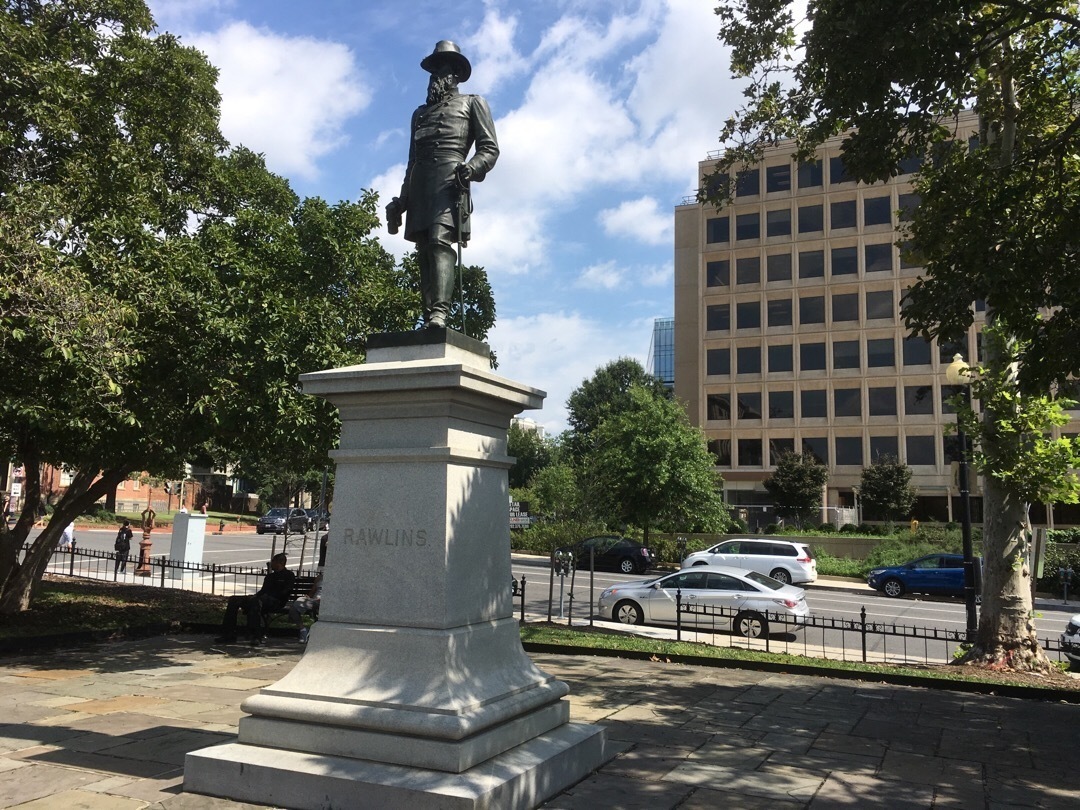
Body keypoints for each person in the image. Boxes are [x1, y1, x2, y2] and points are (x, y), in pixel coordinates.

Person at [385, 40, 499, 329]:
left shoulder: (473, 103)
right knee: (423, 250)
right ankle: (428, 318)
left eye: (443, 68)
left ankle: (440, 313)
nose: (437, 74)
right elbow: (411, 162)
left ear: (457, 73)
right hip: (421, 183)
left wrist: (471, 168)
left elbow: (489, 148)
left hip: (450, 181)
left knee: (439, 241)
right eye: (433, 69)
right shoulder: (419, 114)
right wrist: (402, 201)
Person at [215, 553, 295, 646]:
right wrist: (254, 596)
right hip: (261, 599)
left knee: (256, 602)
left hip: (276, 601)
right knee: (234, 600)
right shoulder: (270, 577)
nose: (271, 563)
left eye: (273, 561)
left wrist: (265, 597)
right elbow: (263, 591)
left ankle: (256, 636)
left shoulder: (289, 575)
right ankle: (228, 634)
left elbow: (285, 592)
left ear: (280, 562)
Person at [288, 572, 323, 643]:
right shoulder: (320, 577)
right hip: (314, 601)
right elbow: (313, 591)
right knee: (295, 606)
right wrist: (308, 597)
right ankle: (303, 630)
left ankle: (317, 634)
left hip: (326, 602)